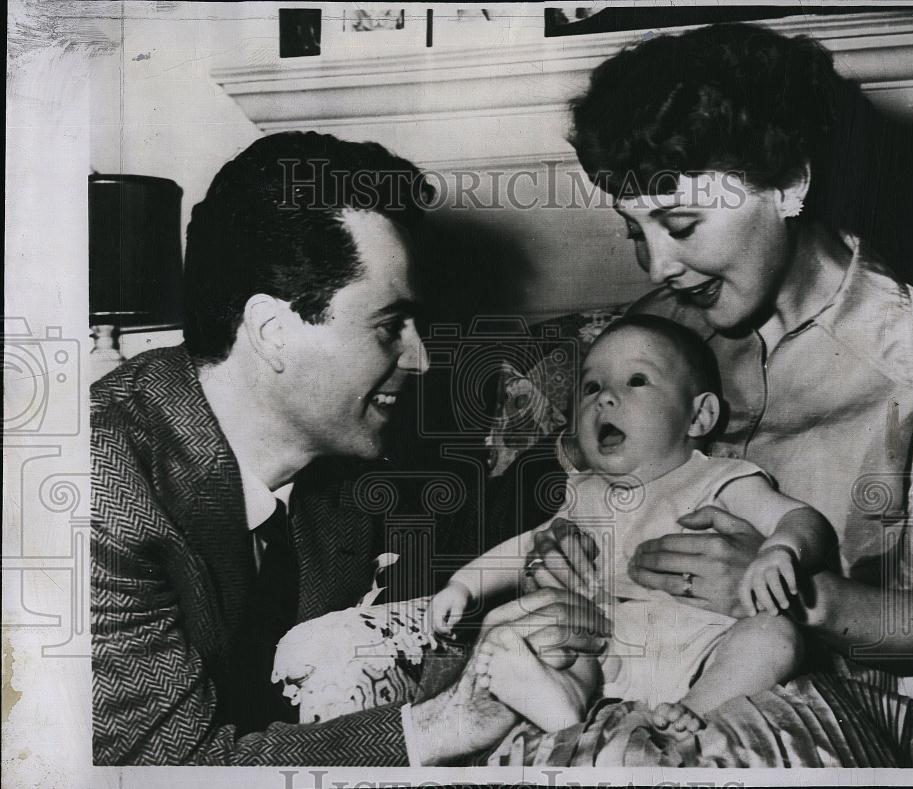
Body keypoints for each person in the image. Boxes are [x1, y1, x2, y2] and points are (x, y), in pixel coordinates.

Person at [90, 131, 609, 765]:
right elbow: (170, 772)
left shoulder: (345, 463)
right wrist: (439, 725)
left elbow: (439, 596)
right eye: (391, 327)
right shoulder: (99, 486)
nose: (420, 360)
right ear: (274, 331)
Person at [524, 22, 913, 689]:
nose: (659, 265)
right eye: (636, 231)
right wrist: (562, 553)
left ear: (788, 185)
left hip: (814, 694)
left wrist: (793, 592)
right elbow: (592, 497)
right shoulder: (656, 329)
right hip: (629, 668)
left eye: (682, 225)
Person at [432, 314, 837, 733]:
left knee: (774, 637)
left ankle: (695, 709)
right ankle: (564, 698)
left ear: (699, 416)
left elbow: (802, 518)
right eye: (591, 387)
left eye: (636, 381)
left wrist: (780, 549)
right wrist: (463, 584)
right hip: (607, 651)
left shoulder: (717, 478)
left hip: (706, 649)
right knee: (548, 624)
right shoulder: (583, 491)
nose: (604, 398)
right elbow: (524, 547)